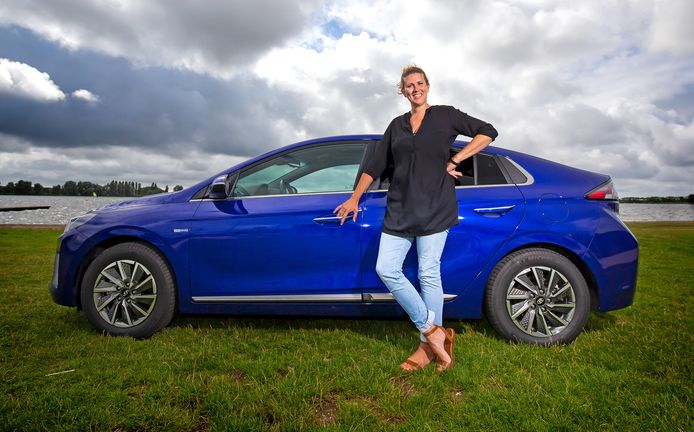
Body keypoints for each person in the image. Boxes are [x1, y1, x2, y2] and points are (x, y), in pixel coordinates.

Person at [334, 65, 498, 372]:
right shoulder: (396, 125)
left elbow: (488, 131)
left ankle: (426, 347)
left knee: (428, 273)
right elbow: (375, 163)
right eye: (409, 85)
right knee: (387, 268)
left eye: (419, 83)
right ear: (403, 91)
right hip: (400, 208)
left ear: (427, 86)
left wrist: (456, 158)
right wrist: (355, 197)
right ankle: (433, 331)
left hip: (436, 205)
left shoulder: (446, 115)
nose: (415, 89)